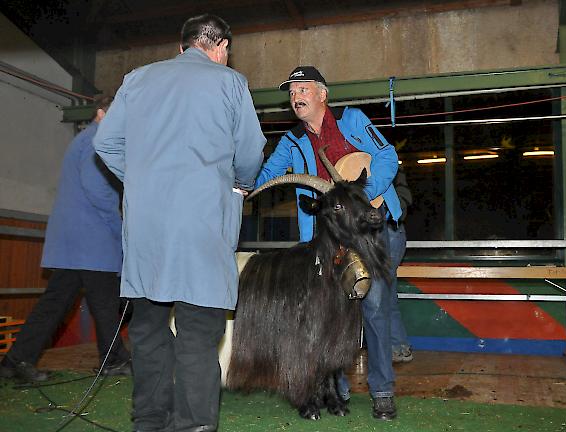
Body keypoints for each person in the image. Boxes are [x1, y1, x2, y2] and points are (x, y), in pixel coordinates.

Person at [93, 14, 265, 432]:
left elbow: (105, 142)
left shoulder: (137, 79)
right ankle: (193, 426)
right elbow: (250, 150)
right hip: (201, 226)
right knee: (197, 332)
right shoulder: (230, 83)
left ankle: (149, 421)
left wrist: (140, 178)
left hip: (147, 228)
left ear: (182, 45)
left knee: (149, 328)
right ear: (220, 46)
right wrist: (239, 186)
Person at [255, 65, 402, 420]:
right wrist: (241, 188)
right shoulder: (292, 142)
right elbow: (267, 173)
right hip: (329, 244)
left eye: (302, 89)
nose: (295, 97)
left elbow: (387, 155)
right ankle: (337, 390)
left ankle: (382, 391)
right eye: (291, 93)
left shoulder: (353, 121)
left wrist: (364, 194)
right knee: (330, 315)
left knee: (374, 306)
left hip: (372, 231)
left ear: (322, 94)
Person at [0, 96, 131, 382]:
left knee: (59, 302)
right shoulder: (98, 141)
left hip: (75, 241)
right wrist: (118, 227)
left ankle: (15, 360)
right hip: (92, 238)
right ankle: (112, 359)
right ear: (101, 113)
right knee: (106, 301)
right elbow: (98, 189)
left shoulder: (85, 140)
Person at [390, 166, 414, 363]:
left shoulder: (392, 175)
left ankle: (397, 346)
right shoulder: (395, 173)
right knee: (384, 294)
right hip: (391, 233)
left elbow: (401, 209)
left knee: (383, 294)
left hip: (389, 233)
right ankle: (398, 346)